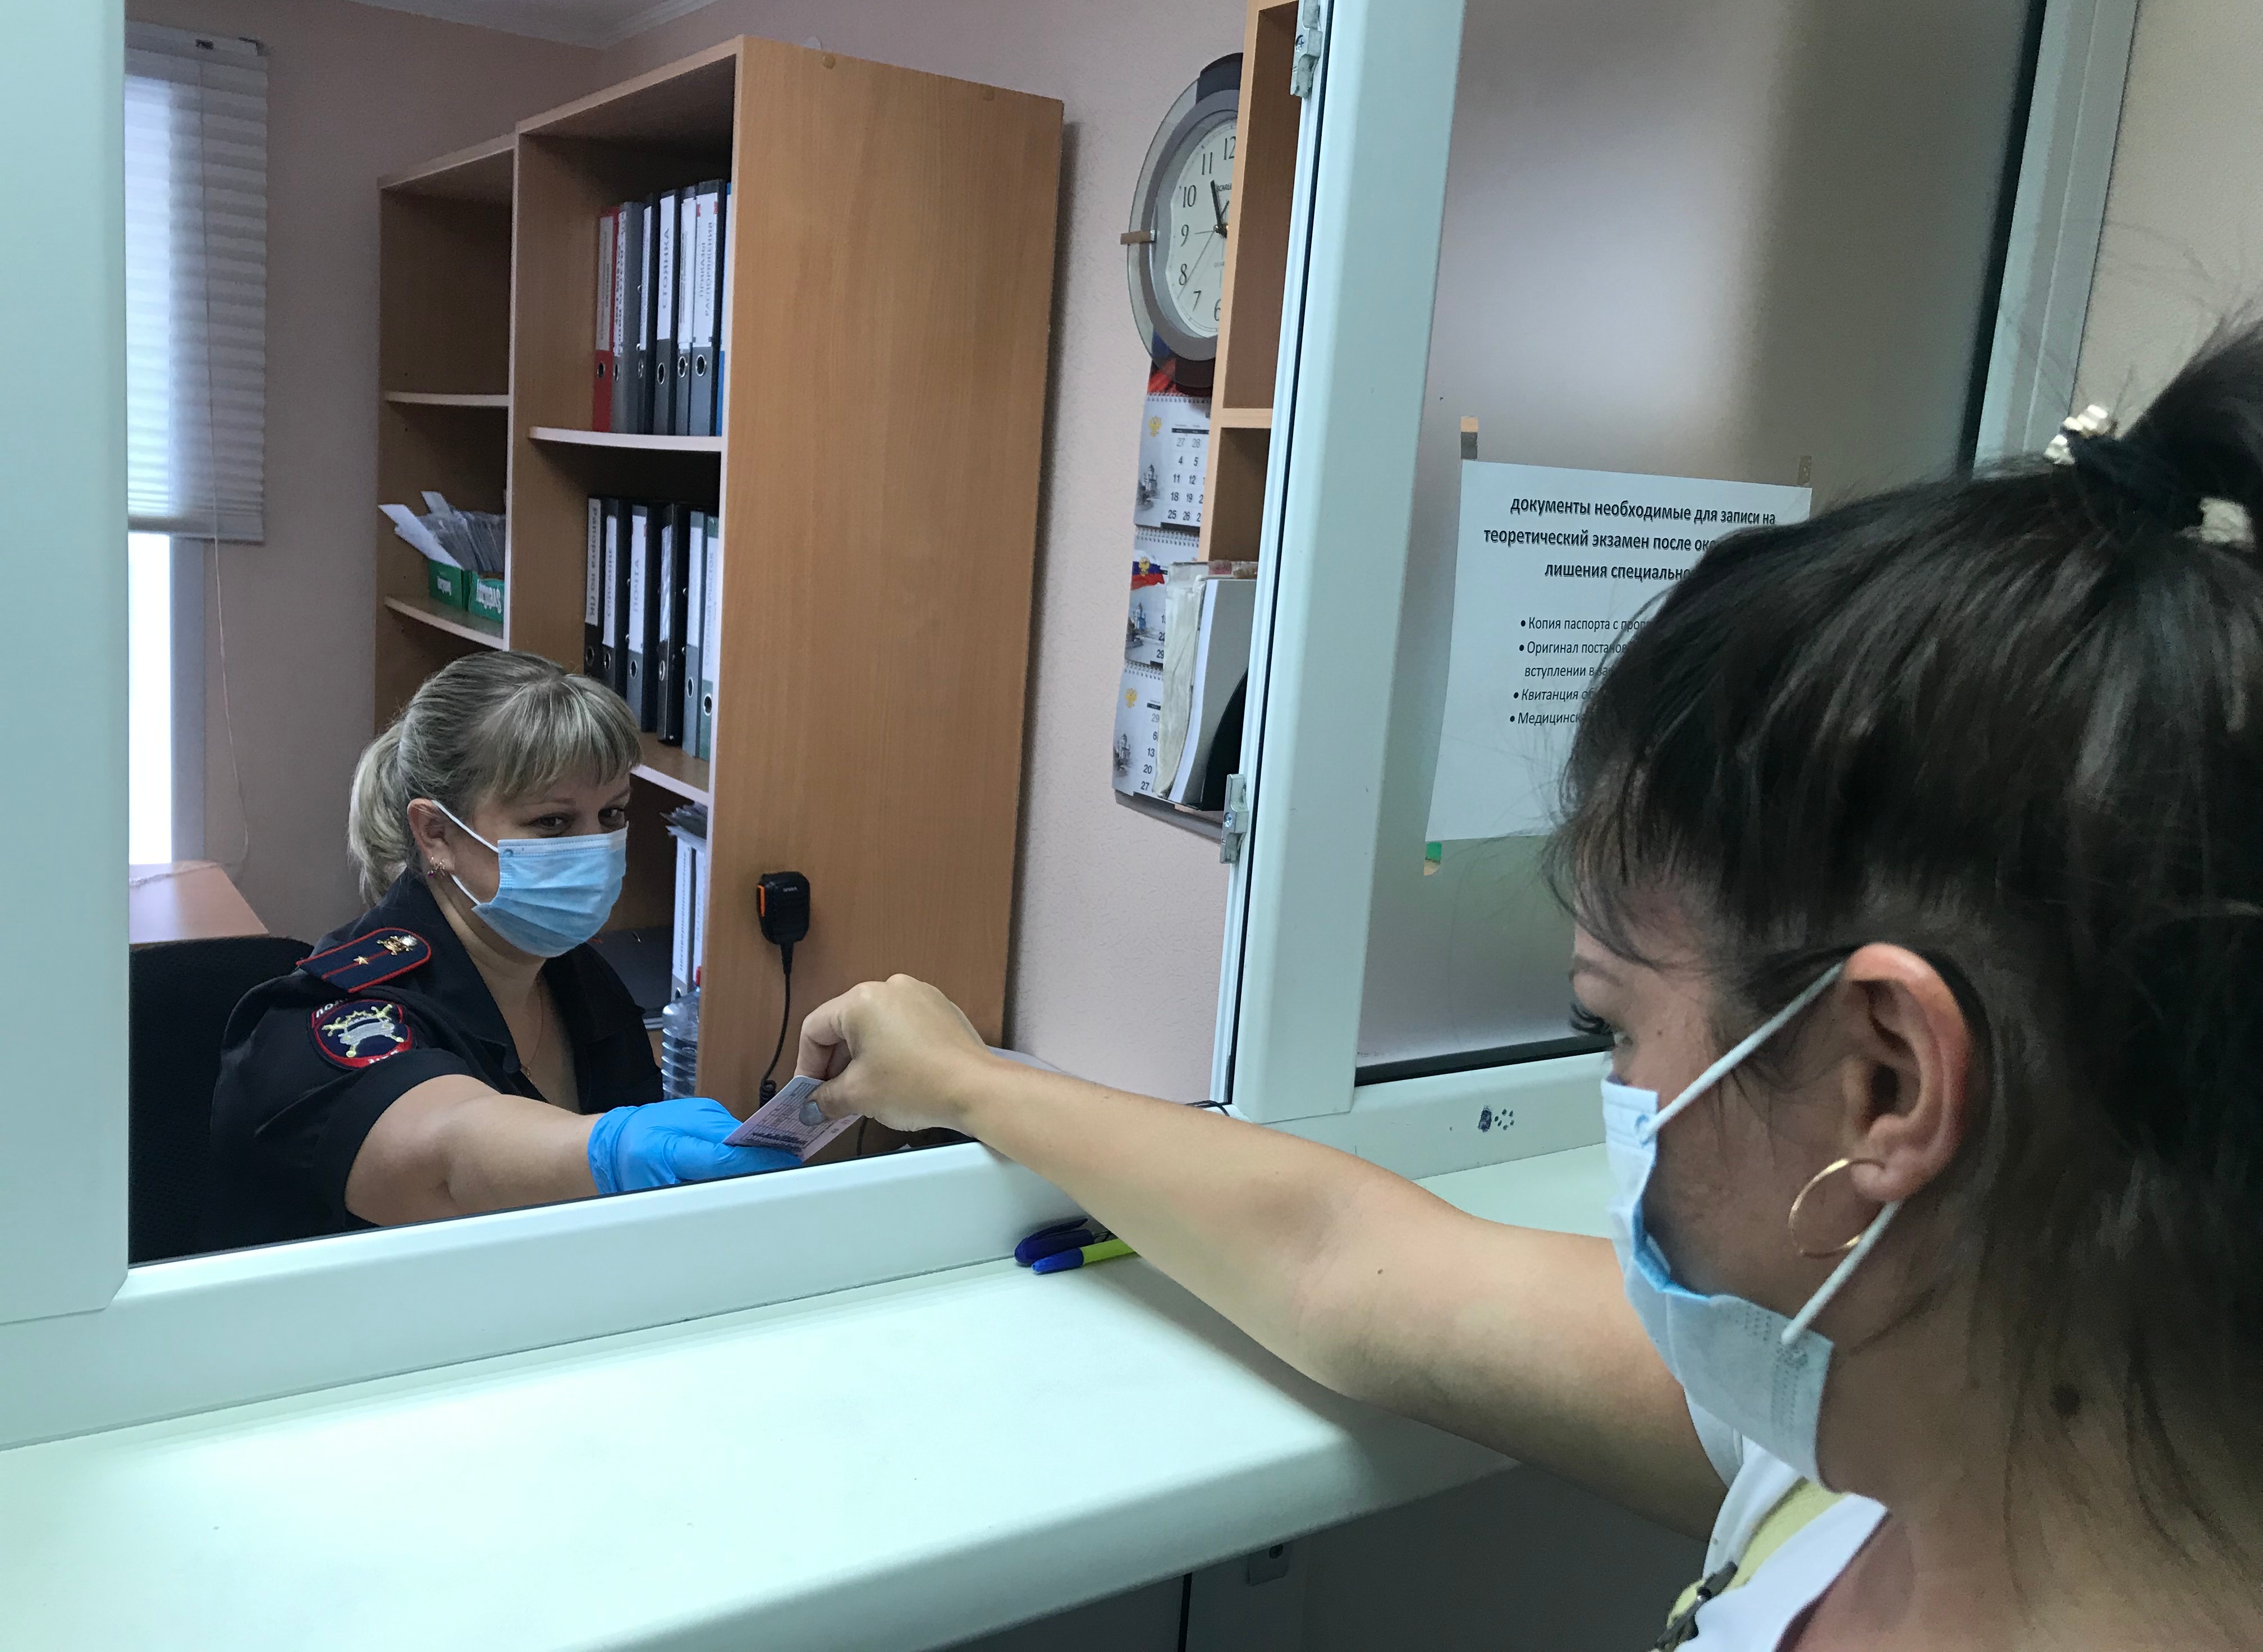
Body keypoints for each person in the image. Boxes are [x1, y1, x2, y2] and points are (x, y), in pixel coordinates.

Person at [795, 328, 2263, 1648]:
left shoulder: (1888, 1412)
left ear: (1882, 1084)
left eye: (1609, 1025)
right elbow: (1337, 1259)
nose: (1619, 1092)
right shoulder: (1902, 1425)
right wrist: (966, 1081)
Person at [207, 651, 792, 1250]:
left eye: (612, 813)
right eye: (553, 823)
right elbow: (452, 1160)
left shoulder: (577, 978)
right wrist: (610, 1150)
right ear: (436, 833)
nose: (596, 847)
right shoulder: (331, 1016)